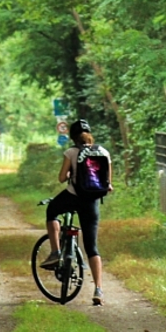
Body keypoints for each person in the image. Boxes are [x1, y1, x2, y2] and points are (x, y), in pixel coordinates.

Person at [40, 119, 112, 306]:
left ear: (72, 136)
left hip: (73, 196)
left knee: (52, 210)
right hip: (92, 202)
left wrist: (72, 174)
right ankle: (98, 290)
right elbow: (108, 184)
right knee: (92, 247)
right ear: (90, 135)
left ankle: (56, 251)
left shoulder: (71, 152)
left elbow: (62, 177)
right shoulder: (103, 152)